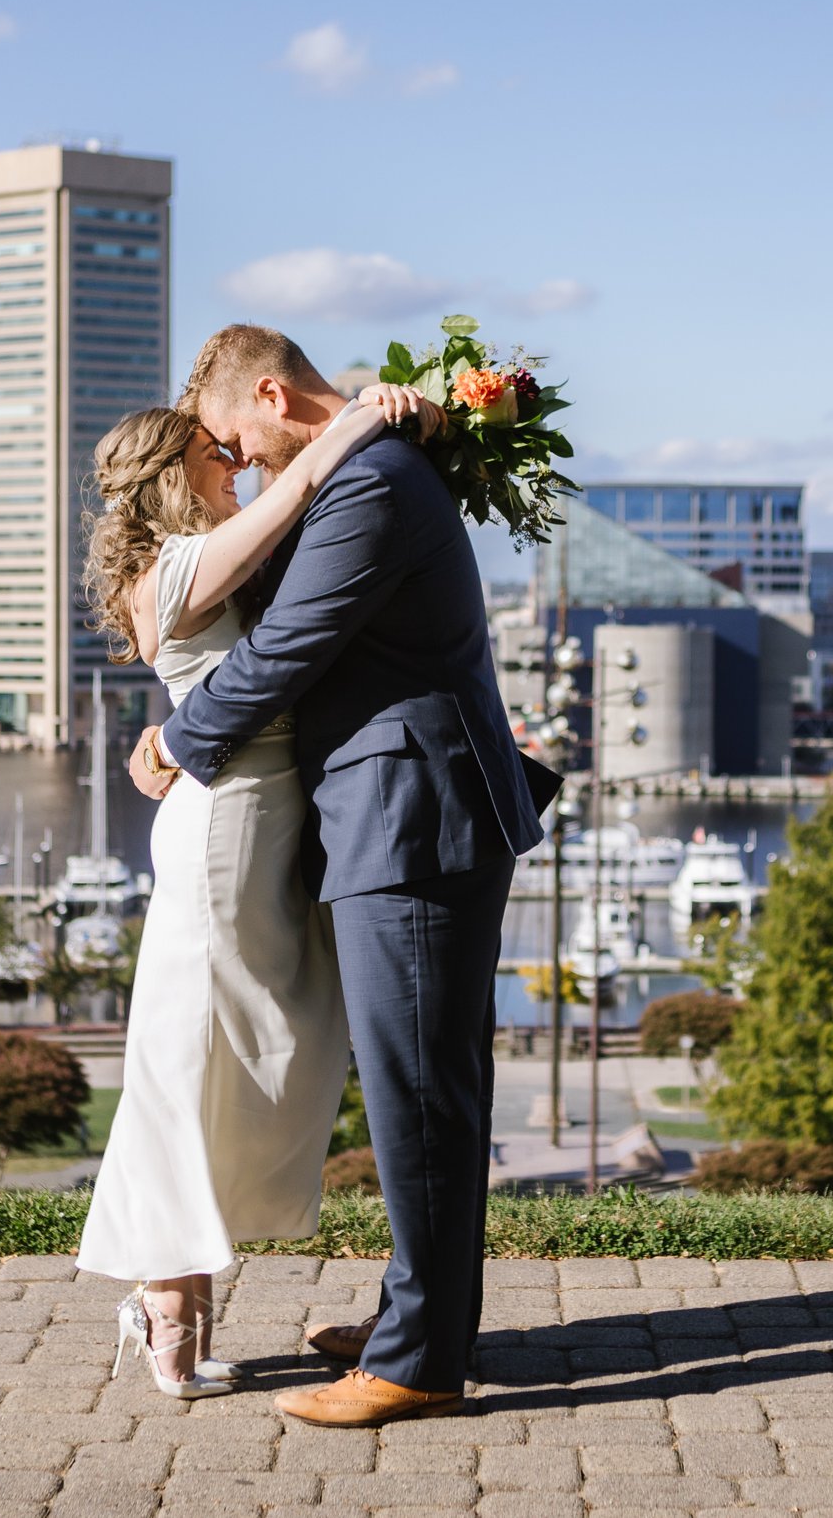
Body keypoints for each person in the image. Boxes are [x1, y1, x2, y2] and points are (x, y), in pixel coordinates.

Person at [132, 324, 549, 1429]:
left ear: (272, 393)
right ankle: (418, 1320)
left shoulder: (368, 481)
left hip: (413, 809)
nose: (249, 466)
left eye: (239, 441)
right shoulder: (370, 458)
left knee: (420, 1089)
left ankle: (415, 1360)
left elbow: (288, 650)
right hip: (404, 805)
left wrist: (177, 742)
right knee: (426, 1083)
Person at [75, 390, 421, 1399]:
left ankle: (176, 1290)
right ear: (170, 472)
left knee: (255, 1048)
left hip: (262, 821)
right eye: (212, 453)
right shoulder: (179, 563)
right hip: (224, 833)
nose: (234, 460)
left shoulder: (192, 555)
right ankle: (169, 1296)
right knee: (191, 1057)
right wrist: (357, 421)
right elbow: (300, 486)